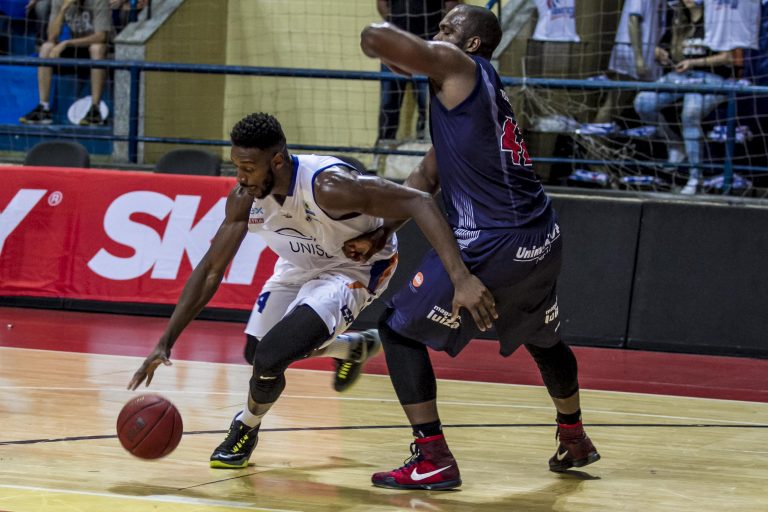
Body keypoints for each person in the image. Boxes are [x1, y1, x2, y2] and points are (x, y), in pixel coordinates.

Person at [127, 112, 496, 470]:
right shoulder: (245, 197)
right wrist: (166, 341)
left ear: (277, 161)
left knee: (271, 356)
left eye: (248, 168)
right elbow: (211, 269)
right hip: (298, 265)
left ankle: (245, 427)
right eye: (236, 166)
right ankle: (351, 347)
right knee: (257, 352)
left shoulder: (330, 187)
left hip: (353, 267)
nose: (240, 178)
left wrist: (458, 276)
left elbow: (418, 200)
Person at [355, 4, 600, 490]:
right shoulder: (477, 95)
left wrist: (462, 278)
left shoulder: (459, 65)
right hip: (542, 237)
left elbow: (374, 38)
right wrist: (385, 231)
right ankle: (574, 437)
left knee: (398, 331)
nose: (437, 33)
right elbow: (425, 176)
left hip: (495, 241)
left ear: (471, 45)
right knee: (542, 338)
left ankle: (433, 458)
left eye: (447, 28)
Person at [633, 0, 757, 194]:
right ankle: (675, 144)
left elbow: (729, 57)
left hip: (713, 77)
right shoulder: (679, 21)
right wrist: (660, 53)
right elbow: (665, 50)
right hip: (681, 76)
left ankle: (695, 177)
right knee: (643, 102)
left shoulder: (716, 19)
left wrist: (694, 63)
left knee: (690, 112)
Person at [375, 0, 460, 145]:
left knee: (426, 101)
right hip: (394, 43)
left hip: (427, 45)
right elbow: (382, 3)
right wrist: (395, 24)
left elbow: (451, 5)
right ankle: (383, 147)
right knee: (389, 101)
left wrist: (440, 33)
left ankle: (423, 145)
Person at [19, 0, 112, 126]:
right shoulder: (60, 1)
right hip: (77, 47)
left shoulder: (98, 2)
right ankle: (44, 108)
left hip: (104, 49)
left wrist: (67, 43)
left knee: (97, 48)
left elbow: (101, 37)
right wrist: (63, 10)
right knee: (46, 47)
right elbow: (52, 36)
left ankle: (95, 109)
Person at [593, 0, 666, 126]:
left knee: (621, 103)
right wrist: (638, 58)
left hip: (647, 53)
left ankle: (598, 133)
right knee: (615, 102)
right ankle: (592, 134)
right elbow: (633, 19)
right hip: (632, 51)